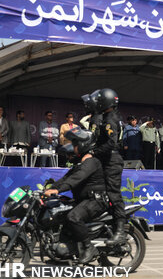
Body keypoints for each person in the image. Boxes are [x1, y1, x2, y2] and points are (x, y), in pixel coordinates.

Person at [44, 127, 108, 264]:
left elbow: (76, 179)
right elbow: (66, 178)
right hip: (84, 200)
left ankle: (88, 247)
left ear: (83, 144)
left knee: (73, 217)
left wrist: (58, 190)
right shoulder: (81, 163)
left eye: (75, 144)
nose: (73, 147)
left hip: (94, 200)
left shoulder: (91, 162)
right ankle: (65, 253)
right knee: (61, 215)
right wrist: (51, 188)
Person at [87, 88, 126, 245]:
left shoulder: (110, 119)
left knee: (113, 194)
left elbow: (111, 143)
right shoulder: (105, 117)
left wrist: (93, 152)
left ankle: (121, 231)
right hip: (105, 160)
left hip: (112, 161)